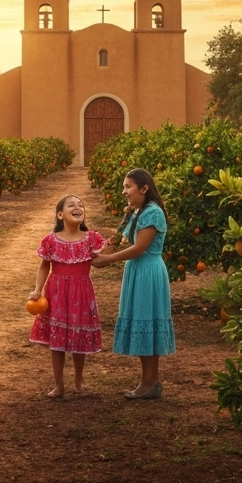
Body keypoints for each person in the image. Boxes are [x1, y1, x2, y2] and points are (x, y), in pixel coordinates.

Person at [91, 168, 175, 399]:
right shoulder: (137, 211)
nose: (124, 191)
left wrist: (108, 259)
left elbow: (139, 248)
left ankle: (150, 382)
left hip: (148, 270)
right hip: (138, 271)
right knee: (142, 321)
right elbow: (118, 240)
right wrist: (96, 248)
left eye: (128, 186)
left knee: (147, 321)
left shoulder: (153, 213)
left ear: (144, 188)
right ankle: (148, 382)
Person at [28, 195, 103, 397]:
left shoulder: (91, 239)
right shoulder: (51, 240)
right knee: (57, 339)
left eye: (80, 205)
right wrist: (37, 290)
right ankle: (59, 384)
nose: (77, 207)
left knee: (79, 337)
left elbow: (101, 260)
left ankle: (79, 379)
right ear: (60, 214)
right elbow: (44, 266)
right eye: (71, 205)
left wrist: (112, 247)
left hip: (82, 292)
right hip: (57, 292)